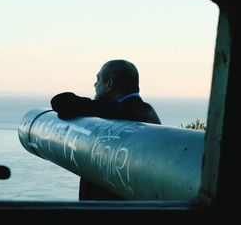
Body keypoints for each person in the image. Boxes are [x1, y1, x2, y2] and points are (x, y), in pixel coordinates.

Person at [51, 59, 161, 200]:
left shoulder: (119, 110)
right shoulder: (146, 110)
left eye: (98, 79)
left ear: (109, 84)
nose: (95, 84)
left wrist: (94, 106)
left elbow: (61, 102)